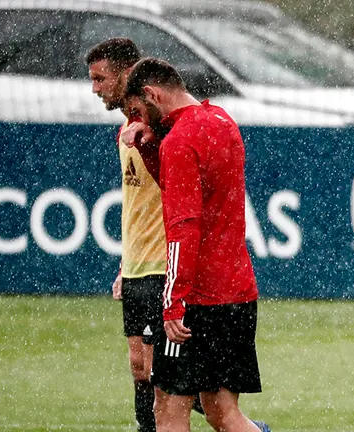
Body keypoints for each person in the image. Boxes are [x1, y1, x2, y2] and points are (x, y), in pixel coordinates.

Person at [122, 57, 270, 432]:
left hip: (197, 299)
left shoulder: (181, 140)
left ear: (152, 94)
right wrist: (151, 149)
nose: (138, 120)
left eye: (138, 111)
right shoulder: (222, 121)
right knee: (223, 413)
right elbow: (193, 190)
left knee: (168, 410)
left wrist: (173, 302)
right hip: (237, 292)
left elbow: (184, 226)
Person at [86, 38, 164, 432]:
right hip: (135, 268)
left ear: (125, 73)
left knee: (159, 372)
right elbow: (139, 207)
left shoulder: (160, 129)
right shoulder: (125, 134)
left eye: (101, 79)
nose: (95, 88)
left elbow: (178, 202)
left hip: (162, 269)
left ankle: (240, 423)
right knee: (139, 369)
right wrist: (124, 264)